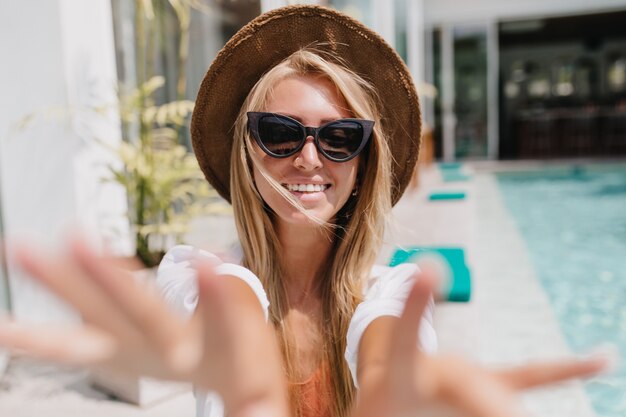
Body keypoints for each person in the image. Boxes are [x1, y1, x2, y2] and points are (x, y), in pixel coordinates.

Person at [0, 5, 609, 417]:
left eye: (340, 137)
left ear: (364, 160)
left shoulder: (392, 290)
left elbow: (385, 351)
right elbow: (232, 315)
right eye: (279, 133)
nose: (309, 159)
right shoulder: (197, 275)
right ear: (246, 147)